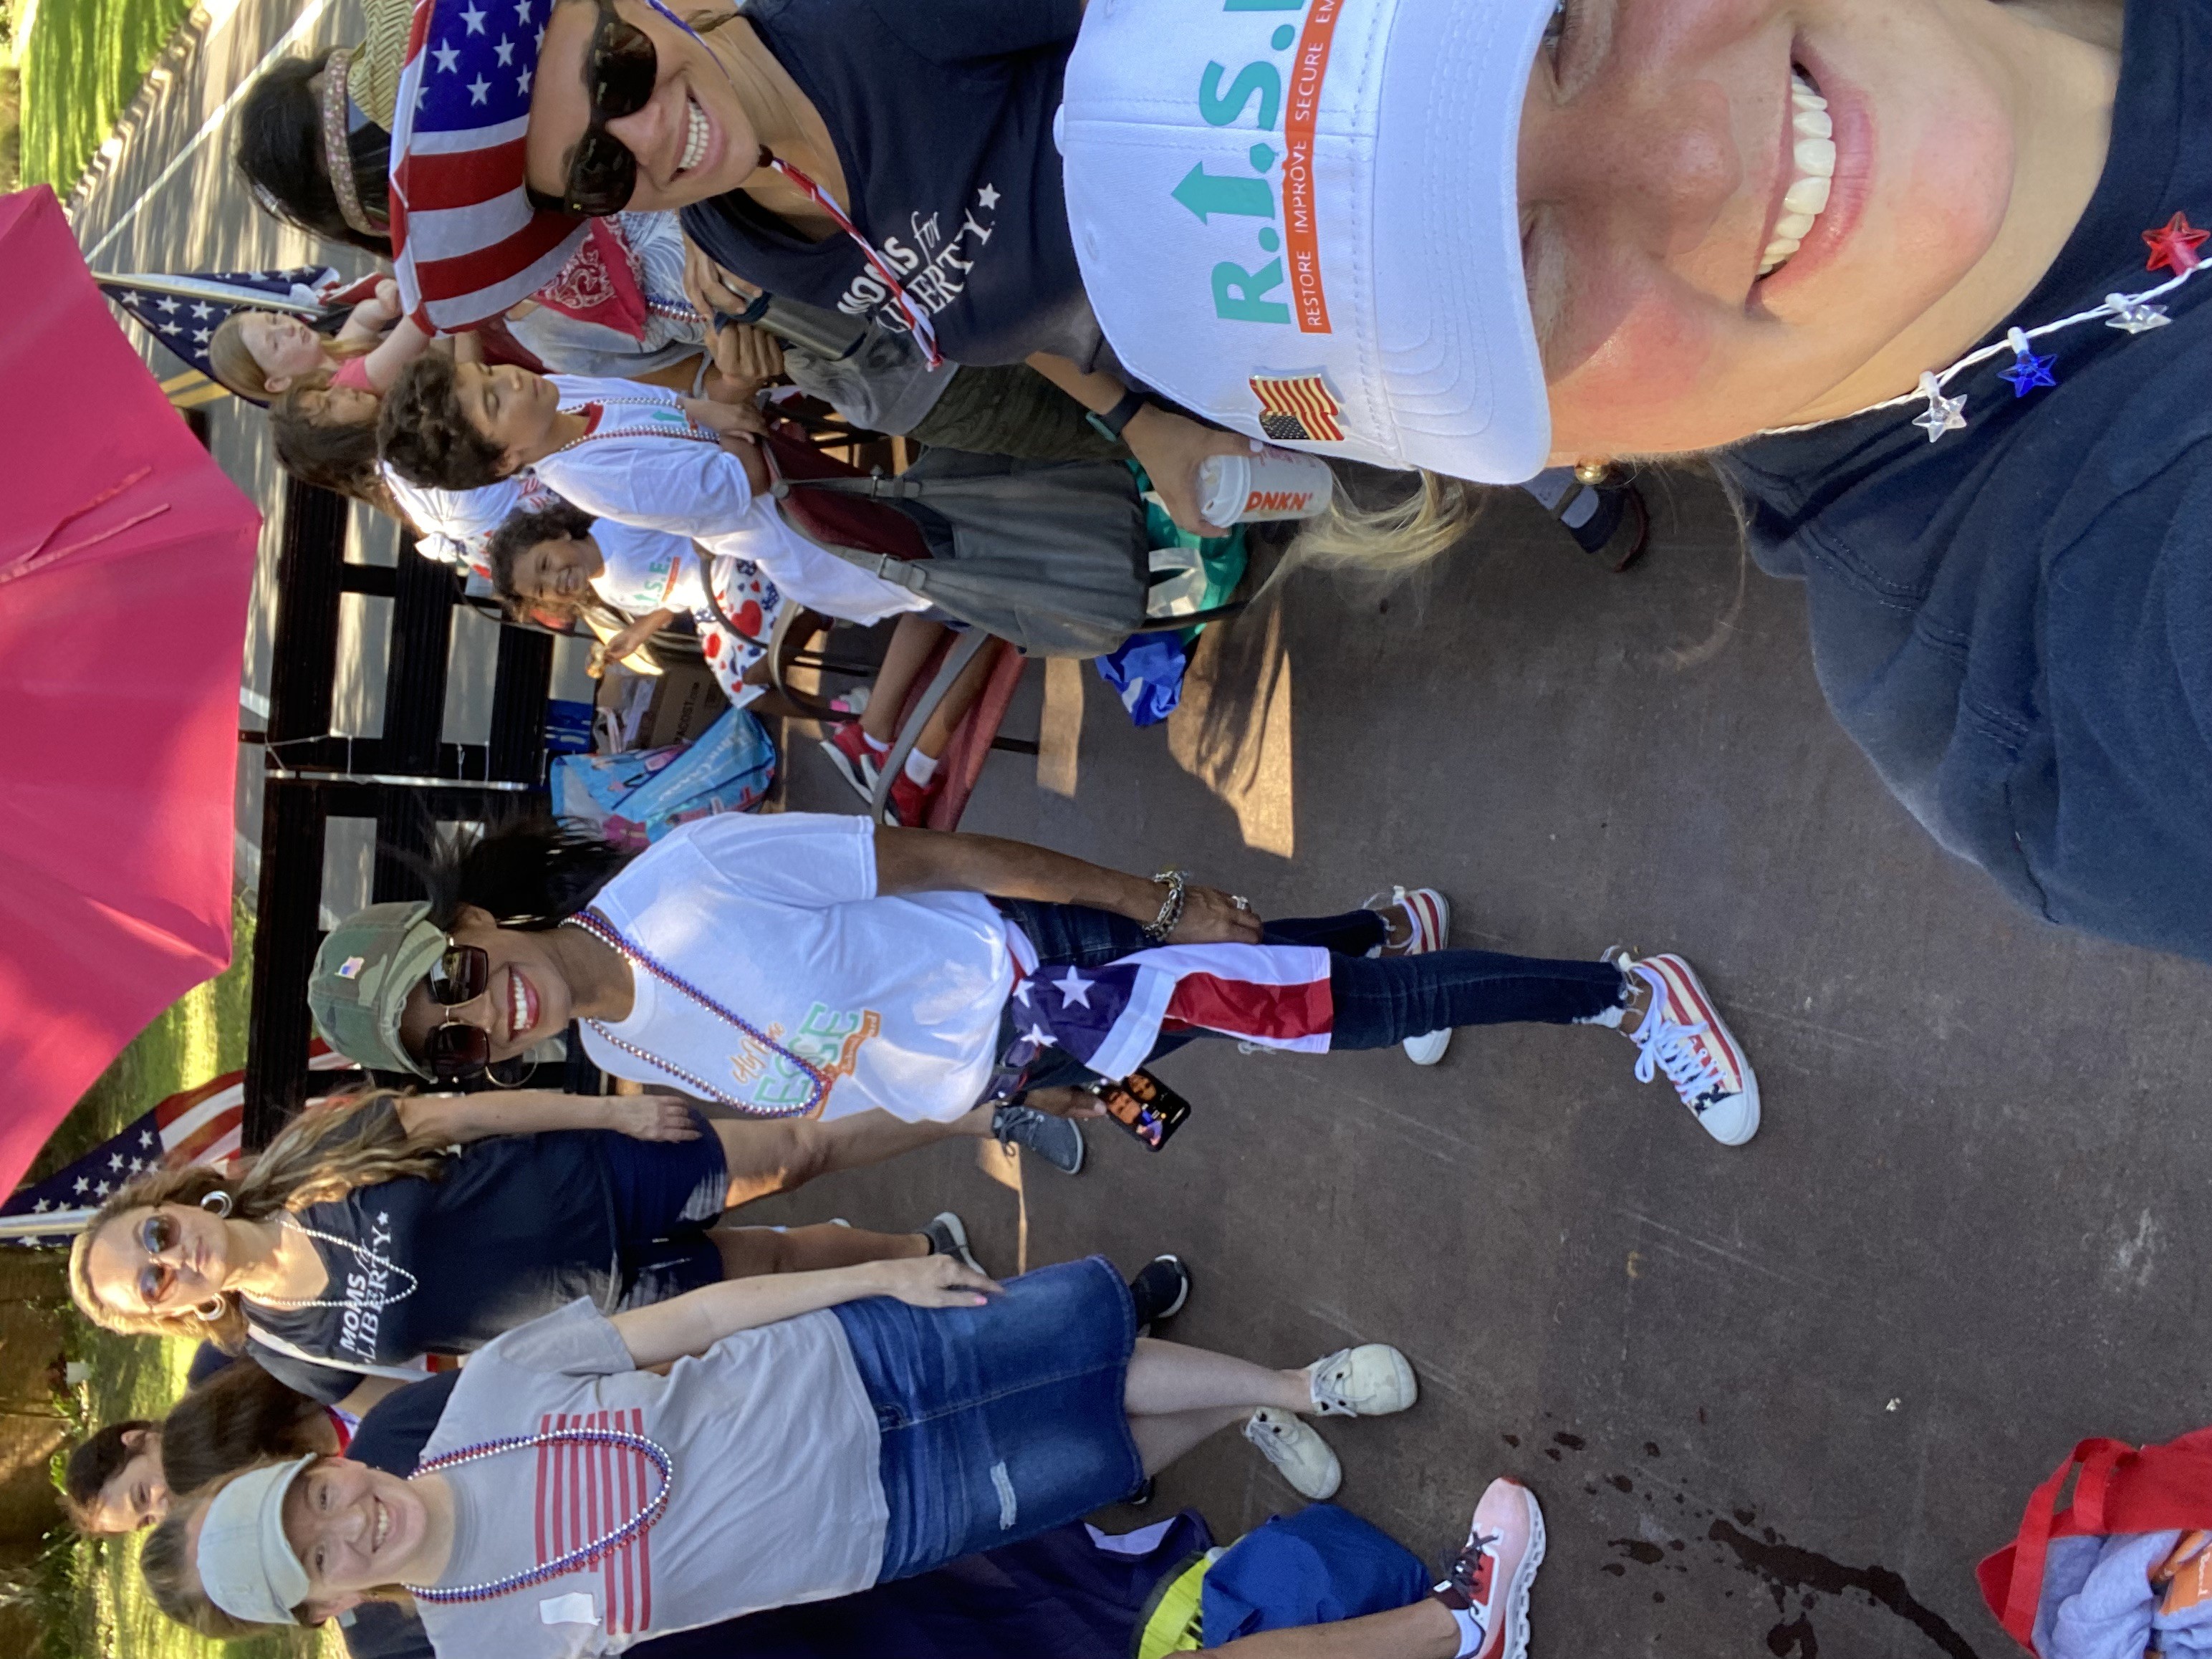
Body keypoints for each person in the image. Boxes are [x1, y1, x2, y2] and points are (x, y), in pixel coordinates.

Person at [1058, 0, 2212, 963]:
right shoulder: (2059, 696)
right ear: (1551, 455)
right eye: (1521, 286)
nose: (1699, 160)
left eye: (1559, 18)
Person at [140, 1251, 1422, 1646]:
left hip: (850, 1364)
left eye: (318, 1496)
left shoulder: (484, 1397)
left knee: (1077, 1352)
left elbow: (694, 1321)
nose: (350, 1521)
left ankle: (1299, 1387)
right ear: (327, 1607)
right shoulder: (486, 1651)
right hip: (885, 1524)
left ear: (329, 1461)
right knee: (1093, 1455)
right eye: (320, 1555)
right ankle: (1244, 1408)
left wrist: (881, 1275)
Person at [305, 812, 1761, 1145]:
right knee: (1268, 1001)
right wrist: (1004, 1100)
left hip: (1051, 966)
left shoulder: (692, 878)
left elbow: (938, 854)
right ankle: (1385, 926)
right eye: (450, 1043)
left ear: (476, 918)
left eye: (453, 975)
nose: (481, 1013)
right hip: (1033, 1057)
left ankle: (1625, 995)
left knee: (1328, 1027)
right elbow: (843, 1076)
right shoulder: (626, 1062)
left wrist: (1153, 900)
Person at [378, 0, 1254, 534]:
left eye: (618, 71)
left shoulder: (868, 21)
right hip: (1232, 365)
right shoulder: (735, 234)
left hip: (1290, 232)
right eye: (598, 169)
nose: (646, 132)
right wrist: (1141, 425)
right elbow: (966, 300)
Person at [66, 1084, 995, 1403]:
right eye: (151, 1282)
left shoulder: (308, 1157)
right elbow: (433, 1399)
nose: (170, 1258)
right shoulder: (287, 1352)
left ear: (172, 1203)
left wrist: (608, 1113)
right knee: (781, 1264)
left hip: (593, 1175)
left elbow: (459, 1117)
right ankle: (922, 1249)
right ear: (173, 1311)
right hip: (605, 1302)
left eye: (154, 1235)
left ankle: (982, 1111)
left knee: (798, 1151)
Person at [484, 500, 1006, 822]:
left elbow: (688, 524)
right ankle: (852, 720)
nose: (556, 581)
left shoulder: (616, 527)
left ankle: (861, 722)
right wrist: (640, 630)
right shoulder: (608, 588)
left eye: (547, 565)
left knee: (756, 668)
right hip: (710, 598)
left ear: (559, 534)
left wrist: (707, 558)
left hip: (731, 568)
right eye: (543, 589)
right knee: (743, 691)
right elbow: (671, 596)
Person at [62, 1362, 385, 1534]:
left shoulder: (218, 1369)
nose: (162, 1510)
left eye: (143, 1495)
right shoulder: (271, 1509)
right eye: (148, 1521)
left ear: (138, 1439)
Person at [208, 279, 433, 403]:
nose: (287, 328)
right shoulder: (342, 390)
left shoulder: (333, 356)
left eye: (275, 319)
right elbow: (417, 327)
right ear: (278, 382)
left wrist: (383, 305)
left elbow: (361, 321)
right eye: (275, 343)